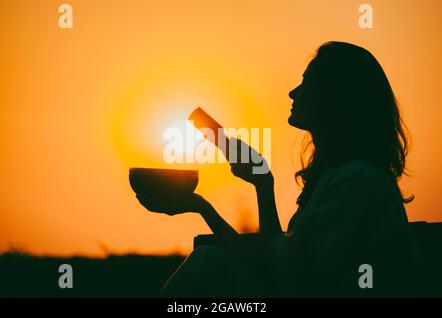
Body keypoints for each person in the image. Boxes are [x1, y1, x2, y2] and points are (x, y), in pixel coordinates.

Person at [136, 41, 424, 297]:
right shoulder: (338, 178)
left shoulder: (358, 182)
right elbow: (269, 264)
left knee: (207, 264)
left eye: (306, 83)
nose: (293, 92)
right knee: (209, 259)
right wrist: (201, 206)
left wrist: (263, 183)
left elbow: (283, 277)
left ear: (335, 97)